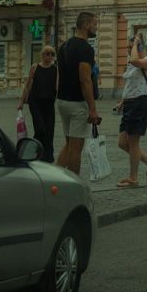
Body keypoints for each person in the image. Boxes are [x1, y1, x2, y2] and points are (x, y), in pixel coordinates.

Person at [55, 12, 101, 175]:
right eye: (95, 24)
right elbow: (85, 79)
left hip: (62, 101)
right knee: (76, 148)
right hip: (77, 103)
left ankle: (56, 178)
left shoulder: (64, 46)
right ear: (86, 24)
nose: (97, 27)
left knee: (68, 145)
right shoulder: (85, 49)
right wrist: (92, 109)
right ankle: (74, 184)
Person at [115, 33, 147, 188]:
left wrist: (136, 43)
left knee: (133, 143)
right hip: (130, 104)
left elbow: (135, 60)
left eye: (131, 47)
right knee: (122, 142)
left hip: (140, 103)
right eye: (128, 48)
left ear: (140, 48)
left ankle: (133, 178)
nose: (129, 51)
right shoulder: (132, 64)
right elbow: (130, 85)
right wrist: (122, 101)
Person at [17, 46, 58, 162]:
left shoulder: (55, 69)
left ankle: (48, 158)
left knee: (49, 131)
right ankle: (36, 152)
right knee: (40, 129)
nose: (49, 56)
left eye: (52, 54)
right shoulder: (35, 67)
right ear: (42, 55)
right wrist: (21, 101)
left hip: (49, 103)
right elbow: (28, 85)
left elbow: (58, 86)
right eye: (47, 54)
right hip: (35, 102)